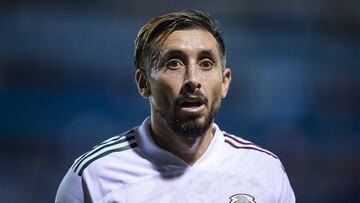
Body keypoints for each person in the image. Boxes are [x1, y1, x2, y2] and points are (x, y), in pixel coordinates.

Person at [55, 9, 295, 203]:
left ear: (224, 82)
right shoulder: (93, 176)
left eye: (206, 63)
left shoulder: (266, 172)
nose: (192, 79)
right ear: (143, 83)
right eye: (174, 63)